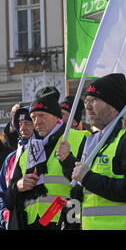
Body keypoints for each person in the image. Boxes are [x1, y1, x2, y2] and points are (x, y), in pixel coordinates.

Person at [71, 73, 126, 230]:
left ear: (113, 105)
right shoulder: (101, 140)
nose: (87, 106)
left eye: (93, 100)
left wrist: (88, 178)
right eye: (86, 101)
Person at [5, 87, 87, 229]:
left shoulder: (78, 139)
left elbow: (87, 184)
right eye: (34, 117)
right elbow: (9, 199)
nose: (37, 122)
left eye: (42, 115)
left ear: (56, 116)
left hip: (66, 223)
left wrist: (68, 160)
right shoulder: (26, 151)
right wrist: (17, 187)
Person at [0, 106, 34, 229]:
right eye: (19, 124)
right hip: (12, 223)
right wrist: (4, 215)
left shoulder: (45, 154)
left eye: (27, 123)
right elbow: (1, 190)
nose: (23, 128)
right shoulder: (11, 158)